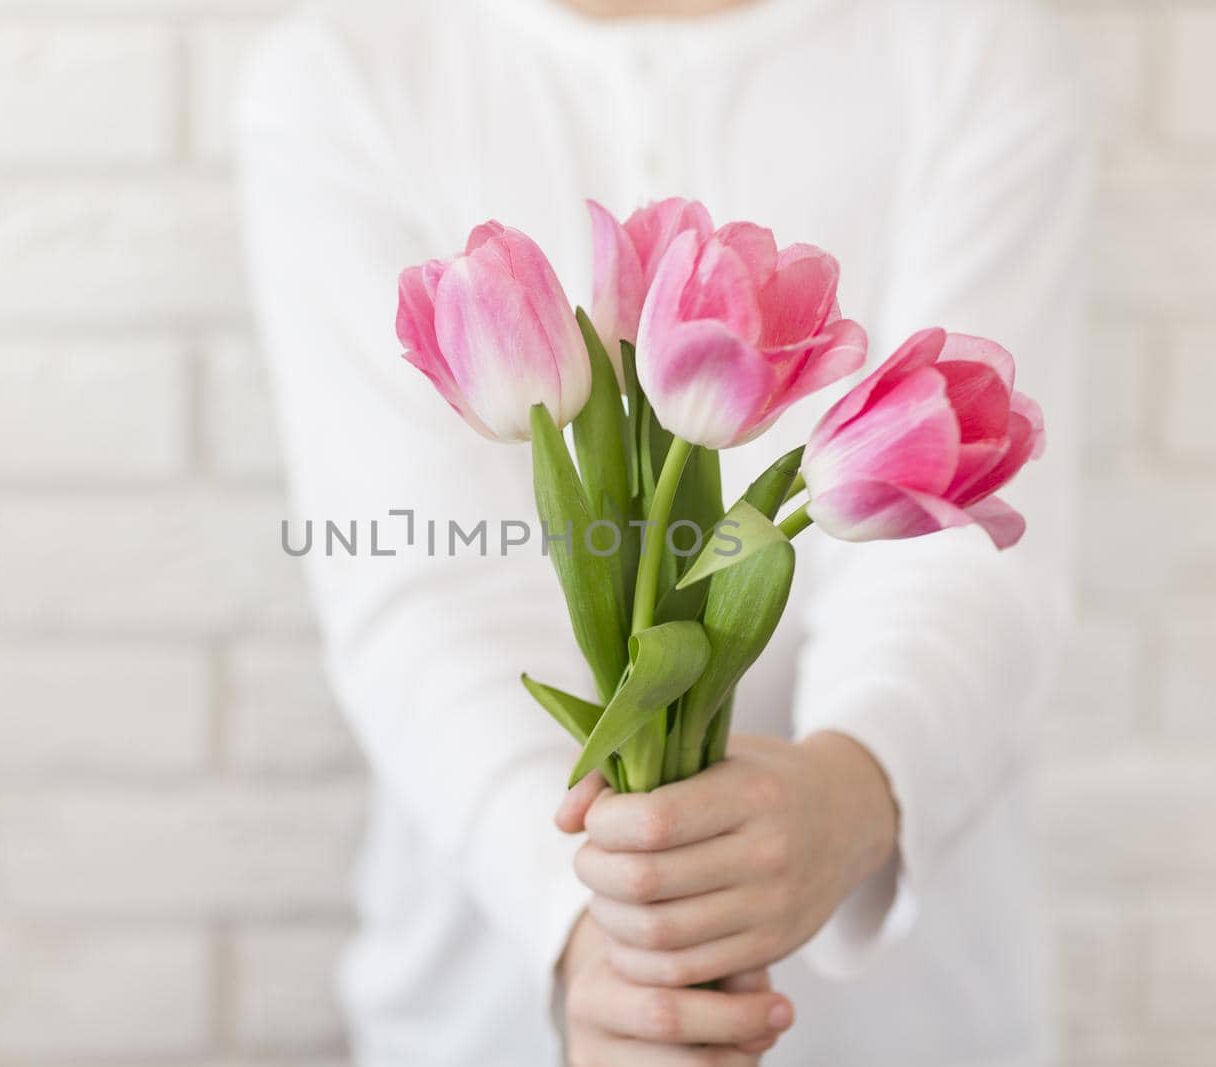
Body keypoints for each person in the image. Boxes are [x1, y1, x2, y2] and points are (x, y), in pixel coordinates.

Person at [236, 0, 1091, 1063]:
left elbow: (963, 556)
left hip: (904, 1017)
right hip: (498, 990)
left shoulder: (967, 45)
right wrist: (596, 928)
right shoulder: (347, 74)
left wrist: (848, 790)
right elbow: (421, 587)